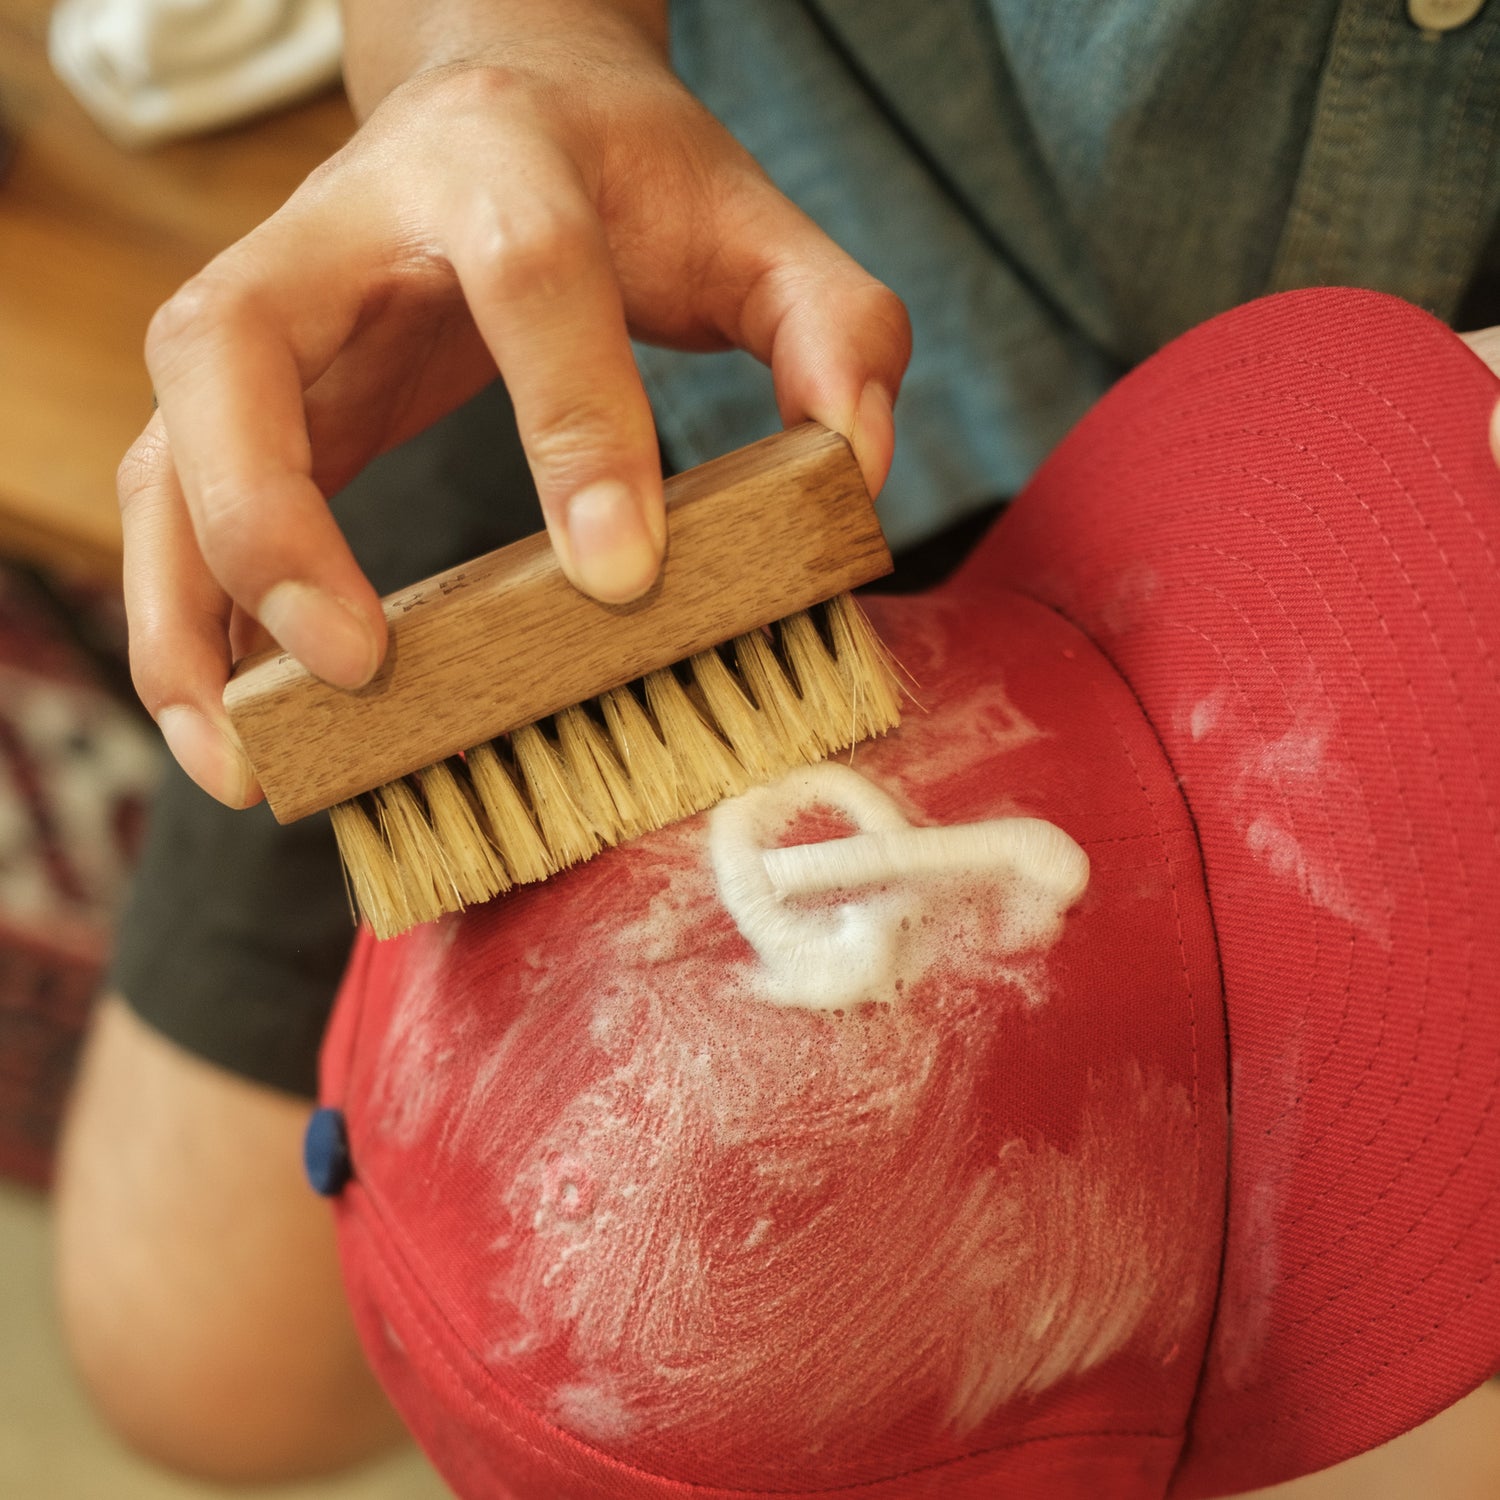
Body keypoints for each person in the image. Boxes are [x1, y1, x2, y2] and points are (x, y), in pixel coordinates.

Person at [50, 0, 1500, 1488]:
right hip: (746, 273)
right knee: (201, 1361)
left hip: (799, 314)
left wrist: (487, 56)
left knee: (189, 1349)